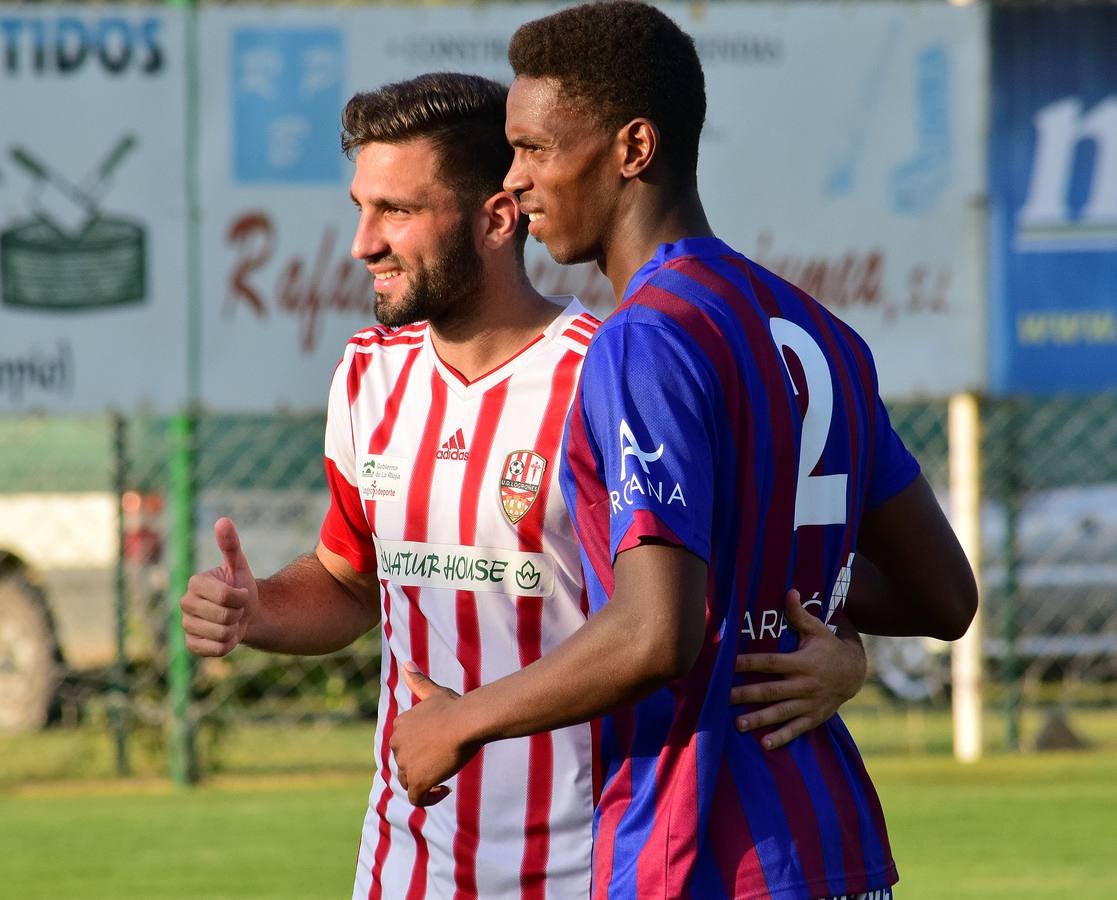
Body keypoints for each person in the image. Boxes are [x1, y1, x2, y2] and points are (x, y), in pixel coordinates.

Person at [179, 71, 867, 899]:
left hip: (590, 864)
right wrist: (258, 608)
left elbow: (711, 589)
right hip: (407, 865)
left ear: (496, 218)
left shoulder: (605, 375)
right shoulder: (367, 378)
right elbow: (347, 578)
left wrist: (841, 653)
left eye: (396, 211)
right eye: (361, 208)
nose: (363, 243)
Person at [388, 5, 979, 899]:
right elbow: (945, 595)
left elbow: (654, 633)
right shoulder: (812, 326)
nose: (514, 182)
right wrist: (812, 625)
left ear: (632, 149)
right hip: (839, 849)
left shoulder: (644, 338)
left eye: (536, 149)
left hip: (705, 852)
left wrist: (460, 723)